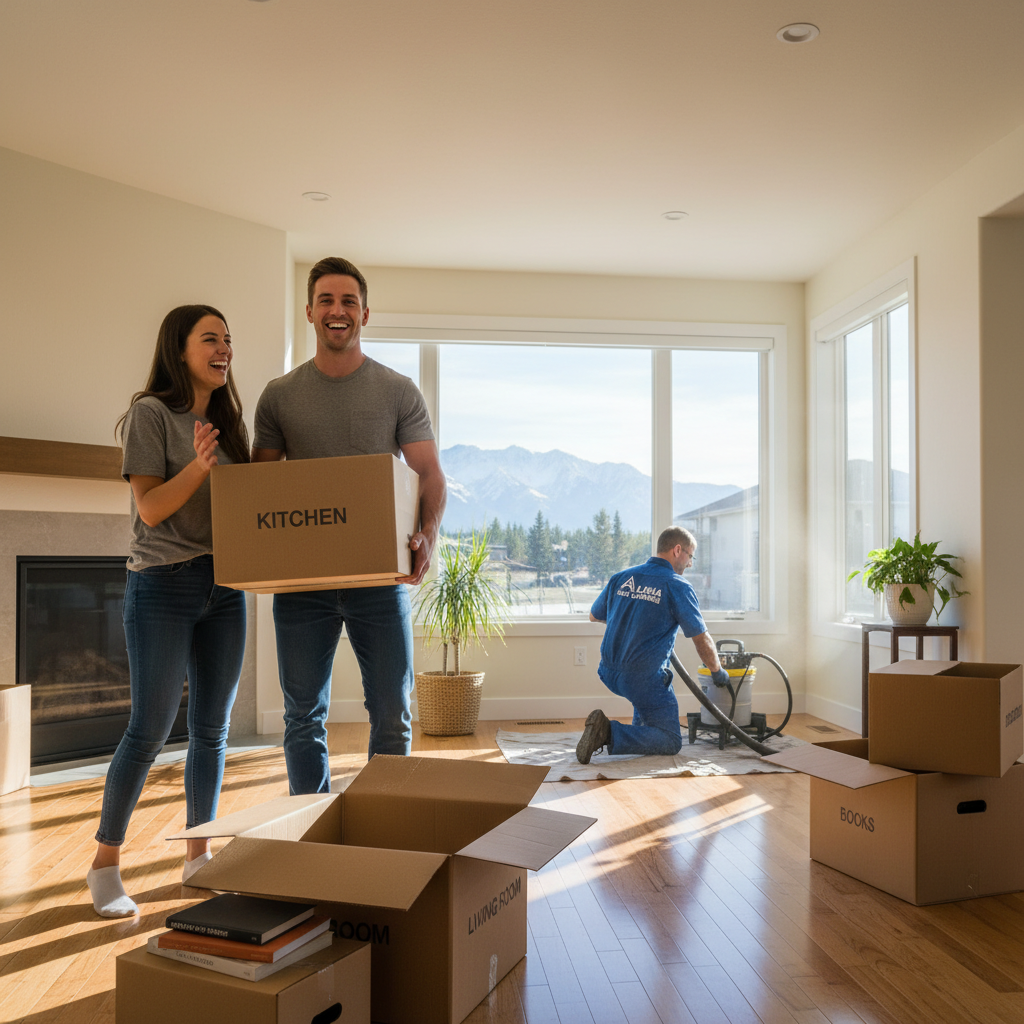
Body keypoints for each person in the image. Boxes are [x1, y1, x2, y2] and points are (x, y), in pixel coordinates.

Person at [252, 256, 446, 794]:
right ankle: (313, 827)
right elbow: (259, 494)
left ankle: (384, 825)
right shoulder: (279, 396)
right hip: (302, 586)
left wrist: (425, 538)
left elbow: (430, 474)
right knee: (302, 717)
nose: (338, 311)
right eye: (328, 301)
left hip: (378, 583)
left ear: (365, 312)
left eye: (349, 301)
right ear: (310, 311)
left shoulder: (397, 389)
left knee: (391, 711)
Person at [86, 305, 249, 918]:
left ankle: (197, 854)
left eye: (228, 340)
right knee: (149, 729)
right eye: (210, 338)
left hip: (225, 588)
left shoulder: (229, 423)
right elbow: (151, 508)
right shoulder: (150, 414)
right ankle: (105, 863)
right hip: (161, 584)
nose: (224, 348)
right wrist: (200, 466)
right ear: (179, 349)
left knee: (212, 730)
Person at [576, 525, 730, 763]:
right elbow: (701, 639)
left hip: (608, 672)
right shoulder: (677, 585)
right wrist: (717, 671)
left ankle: (632, 734)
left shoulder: (622, 577)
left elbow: (594, 616)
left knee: (648, 706)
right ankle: (606, 732)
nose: (690, 564)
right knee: (670, 739)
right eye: (690, 556)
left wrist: (629, 615)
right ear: (677, 550)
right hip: (642, 679)